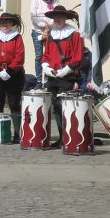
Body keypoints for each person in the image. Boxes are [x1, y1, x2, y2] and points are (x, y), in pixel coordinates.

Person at [38, 7, 85, 144]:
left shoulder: (74, 34)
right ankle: (61, 138)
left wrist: (64, 71)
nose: (57, 19)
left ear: (65, 18)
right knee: (56, 107)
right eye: (55, 17)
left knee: (64, 105)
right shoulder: (51, 35)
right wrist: (47, 68)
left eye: (60, 17)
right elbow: (46, 55)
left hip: (67, 76)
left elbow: (77, 57)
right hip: (53, 75)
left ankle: (69, 136)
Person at [0, 11, 26, 140]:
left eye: (7, 22)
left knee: (14, 104)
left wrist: (10, 71)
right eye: (3, 22)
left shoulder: (17, 38)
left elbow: (20, 57)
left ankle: (17, 134)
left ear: (12, 23)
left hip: (14, 75)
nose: (5, 24)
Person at [28, 0, 61, 83]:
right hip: (37, 31)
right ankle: (38, 81)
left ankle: (47, 80)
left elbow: (57, 16)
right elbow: (33, 16)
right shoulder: (36, 0)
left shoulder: (56, 2)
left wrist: (49, 27)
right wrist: (44, 26)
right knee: (39, 56)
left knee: (49, 56)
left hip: (51, 31)